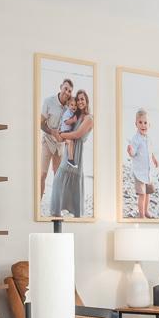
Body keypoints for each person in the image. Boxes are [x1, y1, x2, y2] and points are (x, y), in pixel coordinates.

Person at [50, 88, 95, 217]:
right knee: (58, 180)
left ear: (86, 100)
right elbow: (66, 127)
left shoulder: (89, 118)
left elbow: (77, 134)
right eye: (78, 99)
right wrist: (59, 134)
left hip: (76, 156)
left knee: (70, 183)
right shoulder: (75, 115)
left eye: (82, 99)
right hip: (68, 153)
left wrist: (62, 134)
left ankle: (76, 215)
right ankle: (56, 213)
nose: (80, 101)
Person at [39, 77, 73, 209]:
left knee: (57, 176)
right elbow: (40, 123)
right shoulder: (49, 101)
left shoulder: (70, 107)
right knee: (42, 174)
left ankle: (56, 205)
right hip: (47, 141)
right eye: (65, 89)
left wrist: (63, 138)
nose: (67, 92)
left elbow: (71, 128)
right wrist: (51, 131)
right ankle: (38, 203)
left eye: (70, 91)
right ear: (60, 87)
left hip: (60, 146)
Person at [124, 106, 159, 218]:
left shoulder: (148, 138)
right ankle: (141, 214)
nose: (143, 125)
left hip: (148, 172)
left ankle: (146, 211)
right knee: (142, 194)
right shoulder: (136, 139)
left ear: (149, 125)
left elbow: (150, 151)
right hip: (139, 172)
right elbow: (133, 152)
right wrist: (130, 151)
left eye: (145, 123)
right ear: (136, 124)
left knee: (148, 193)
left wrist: (154, 159)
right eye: (140, 122)